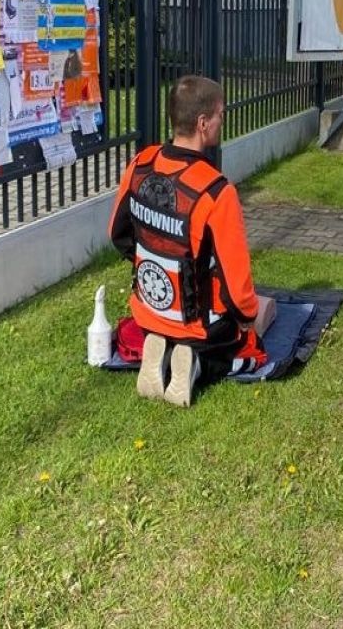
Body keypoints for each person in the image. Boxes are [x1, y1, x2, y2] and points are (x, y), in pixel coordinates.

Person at [108, 75, 266, 407]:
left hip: (148, 308)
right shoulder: (216, 191)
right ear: (203, 123)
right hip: (197, 324)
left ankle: (159, 345)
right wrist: (248, 316)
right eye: (220, 115)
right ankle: (195, 362)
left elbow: (118, 234)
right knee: (250, 348)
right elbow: (237, 289)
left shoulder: (140, 164)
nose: (223, 121)